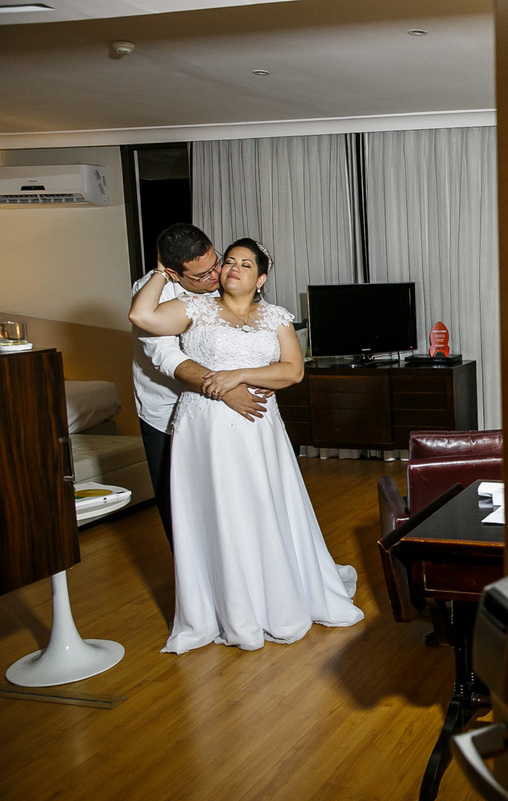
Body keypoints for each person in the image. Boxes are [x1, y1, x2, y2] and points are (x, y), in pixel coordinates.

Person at [129, 237, 363, 653]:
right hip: (205, 428)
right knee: (219, 509)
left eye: (245, 264)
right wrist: (163, 272)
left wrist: (237, 375)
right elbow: (141, 315)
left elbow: (292, 372)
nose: (234, 269)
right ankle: (227, 607)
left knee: (260, 503)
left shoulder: (275, 316)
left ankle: (277, 596)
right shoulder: (194, 308)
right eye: (230, 262)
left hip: (257, 427)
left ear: (261, 278)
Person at [132, 223, 270, 547]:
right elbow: (167, 358)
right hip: (165, 411)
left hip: (226, 410)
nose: (215, 276)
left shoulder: (221, 276)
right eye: (202, 275)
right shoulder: (153, 295)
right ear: (174, 274)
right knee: (179, 504)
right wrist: (226, 388)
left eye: (215, 263)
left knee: (233, 495)